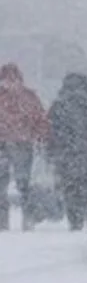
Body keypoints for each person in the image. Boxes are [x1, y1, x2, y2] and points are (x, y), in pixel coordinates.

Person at [48, 73, 87, 231]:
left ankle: (74, 218)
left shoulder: (59, 104)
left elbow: (51, 130)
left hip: (66, 152)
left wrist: (51, 150)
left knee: (70, 185)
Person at [0, 63, 50, 231]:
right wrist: (40, 136)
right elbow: (40, 119)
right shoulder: (29, 96)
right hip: (22, 143)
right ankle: (27, 219)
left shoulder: (16, 97)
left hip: (7, 144)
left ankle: (3, 221)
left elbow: (40, 119)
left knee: (5, 183)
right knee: (24, 183)